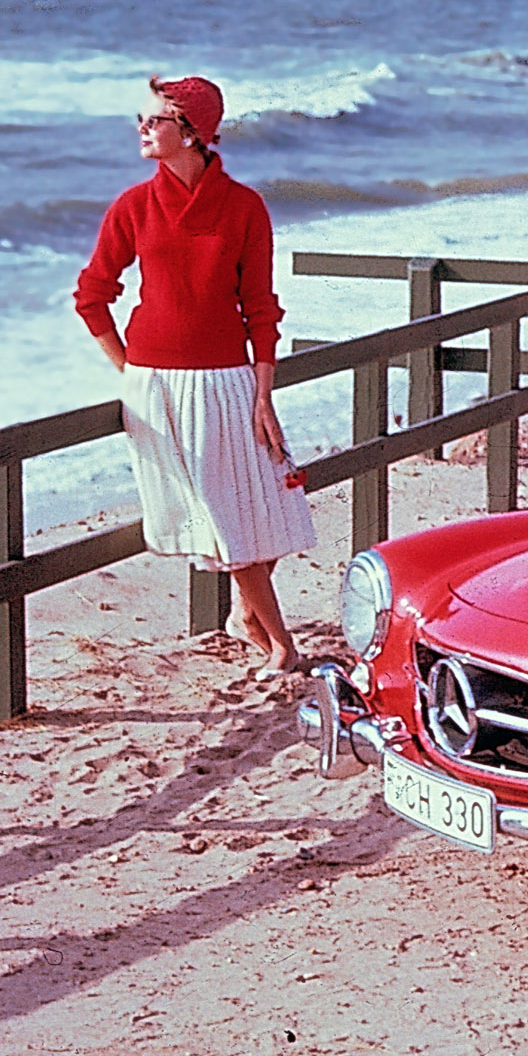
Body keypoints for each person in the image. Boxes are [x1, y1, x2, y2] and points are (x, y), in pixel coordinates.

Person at [75, 75, 315, 676]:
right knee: (228, 516)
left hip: (232, 379)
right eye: (143, 118)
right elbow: (91, 295)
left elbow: (261, 306)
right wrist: (131, 371)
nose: (142, 129)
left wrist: (264, 394)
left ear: (191, 132)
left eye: (154, 120)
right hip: (159, 384)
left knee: (267, 510)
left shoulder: (244, 207)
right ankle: (281, 644)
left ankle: (243, 615)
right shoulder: (133, 205)